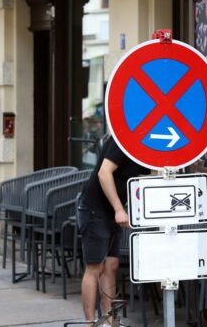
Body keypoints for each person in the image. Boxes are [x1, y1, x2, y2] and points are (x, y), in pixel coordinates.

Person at [78, 135, 150, 326]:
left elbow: (140, 180)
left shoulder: (146, 147)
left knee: (111, 265)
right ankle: (89, 322)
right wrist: (119, 209)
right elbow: (104, 173)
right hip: (95, 208)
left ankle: (110, 321)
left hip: (114, 210)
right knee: (95, 267)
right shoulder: (123, 139)